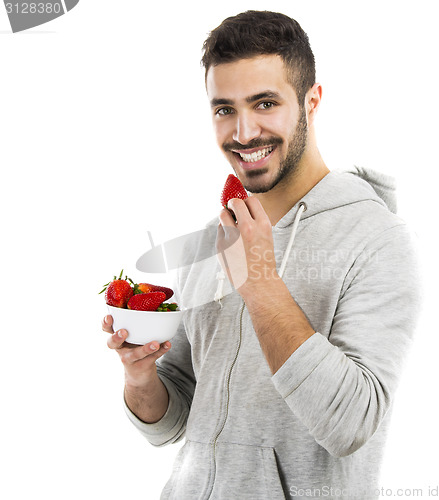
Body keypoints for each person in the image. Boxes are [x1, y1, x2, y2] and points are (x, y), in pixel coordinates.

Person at [102, 10, 421, 499]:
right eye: (224, 109)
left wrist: (260, 283)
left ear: (312, 101)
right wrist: (141, 376)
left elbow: (351, 425)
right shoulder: (219, 233)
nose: (243, 133)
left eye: (265, 103)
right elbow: (174, 421)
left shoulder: (377, 238)